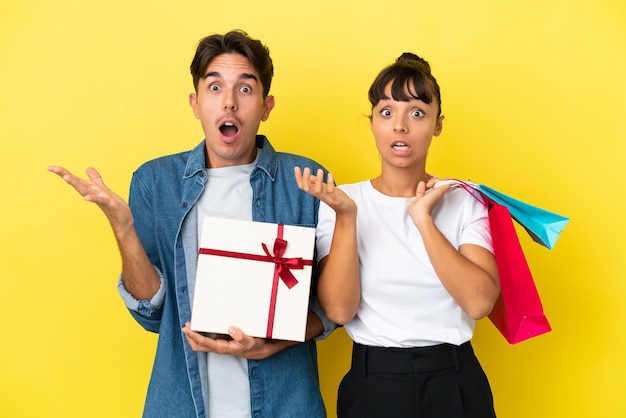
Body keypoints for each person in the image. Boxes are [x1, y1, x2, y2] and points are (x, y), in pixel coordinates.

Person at [49, 30, 333, 418]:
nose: (229, 103)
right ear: (195, 103)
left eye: (245, 89)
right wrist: (124, 230)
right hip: (182, 404)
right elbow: (151, 313)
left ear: (266, 106)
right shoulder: (155, 183)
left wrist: (276, 343)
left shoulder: (306, 181)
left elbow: (332, 305)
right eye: (215, 87)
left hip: (286, 403)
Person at [295, 53, 500, 417]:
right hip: (375, 384)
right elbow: (340, 309)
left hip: (454, 381)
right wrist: (346, 217)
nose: (400, 126)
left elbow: (479, 302)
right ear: (372, 123)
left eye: (417, 113)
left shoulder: (463, 200)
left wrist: (422, 219)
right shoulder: (342, 201)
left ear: (438, 124)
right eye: (387, 112)